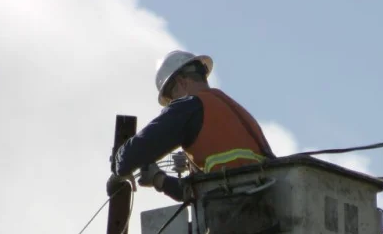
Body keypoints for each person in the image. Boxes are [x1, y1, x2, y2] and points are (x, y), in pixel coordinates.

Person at [109, 50, 275, 202]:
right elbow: (197, 194)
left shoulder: (190, 107)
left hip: (235, 213)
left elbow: (133, 153)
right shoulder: (235, 112)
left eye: (171, 99)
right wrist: (159, 179)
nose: (173, 104)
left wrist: (118, 168)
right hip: (260, 210)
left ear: (181, 82)